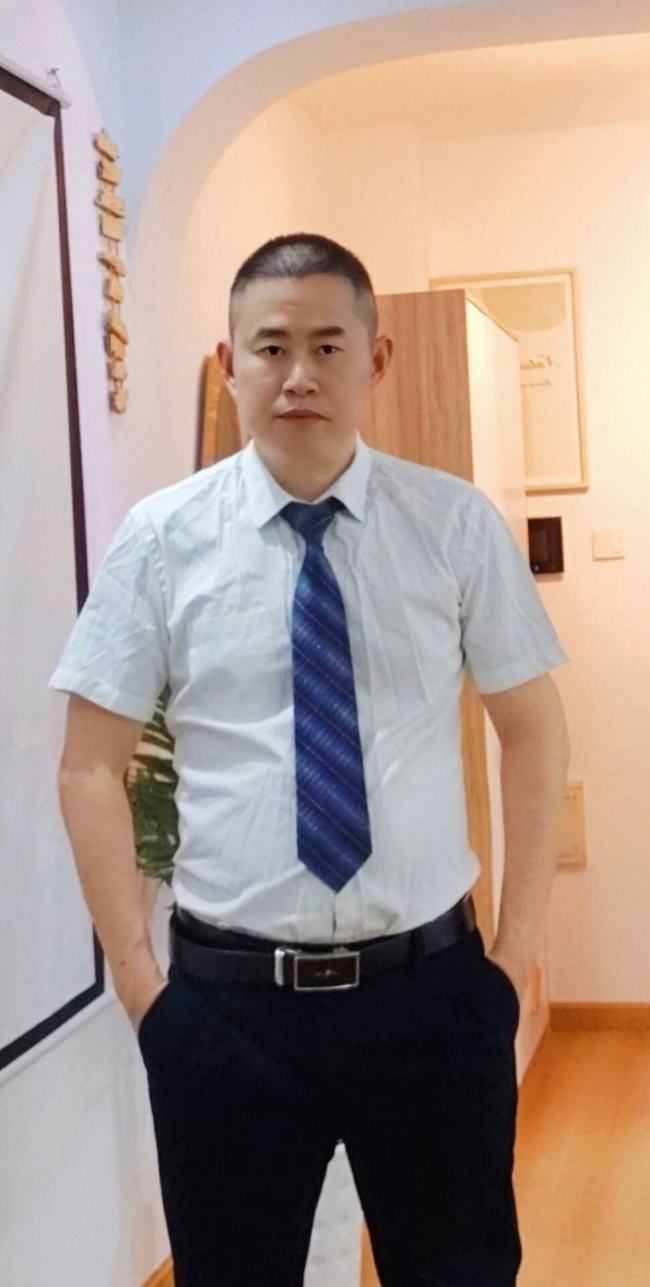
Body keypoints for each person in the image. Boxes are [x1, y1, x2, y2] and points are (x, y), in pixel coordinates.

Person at [50, 232, 570, 1287]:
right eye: (271, 346)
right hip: (228, 1013)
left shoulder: (452, 526)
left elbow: (531, 728)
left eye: (327, 346)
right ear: (230, 362)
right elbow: (89, 765)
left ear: (374, 359)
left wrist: (512, 959)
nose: (298, 375)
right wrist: (145, 991)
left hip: (428, 998)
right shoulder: (161, 539)